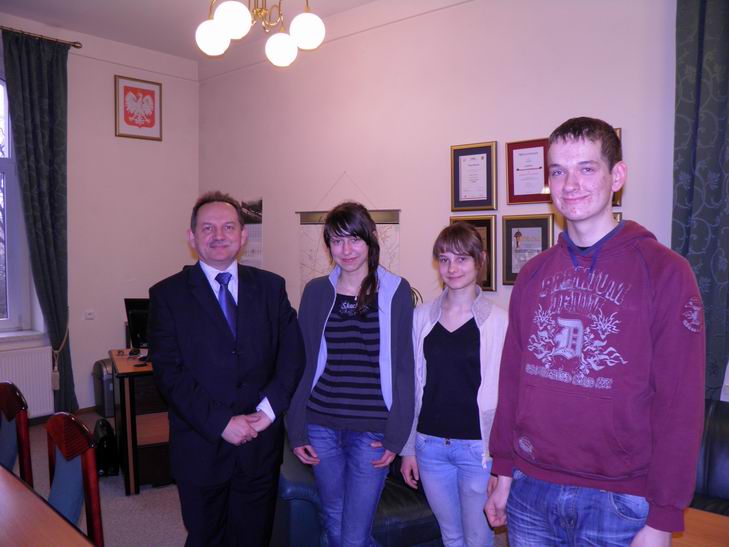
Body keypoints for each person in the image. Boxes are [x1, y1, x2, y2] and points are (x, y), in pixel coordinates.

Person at [486, 117, 705, 546]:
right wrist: (503, 469)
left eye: (586, 168)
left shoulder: (666, 273)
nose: (570, 184)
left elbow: (680, 405)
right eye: (558, 171)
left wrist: (663, 517)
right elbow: (512, 381)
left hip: (619, 502)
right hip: (531, 491)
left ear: (616, 176)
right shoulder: (533, 275)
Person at [148, 191, 305, 547]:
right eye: (208, 228)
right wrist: (222, 423)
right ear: (191, 237)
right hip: (201, 445)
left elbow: (292, 355)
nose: (218, 235)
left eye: (228, 227)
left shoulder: (271, 287)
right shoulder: (167, 295)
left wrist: (267, 413)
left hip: (260, 444)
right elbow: (170, 375)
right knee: (206, 538)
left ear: (243, 235)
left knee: (253, 536)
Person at [286, 201, 415, 547]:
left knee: (355, 533)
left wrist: (397, 436)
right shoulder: (316, 292)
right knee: (333, 518)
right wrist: (296, 428)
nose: (346, 250)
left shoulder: (396, 291)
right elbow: (302, 363)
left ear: (371, 237)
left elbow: (405, 368)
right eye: (337, 241)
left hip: (372, 430)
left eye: (354, 239)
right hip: (320, 425)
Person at [400, 222, 508, 547]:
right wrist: (408, 449)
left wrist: (502, 464)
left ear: (480, 260)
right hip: (430, 447)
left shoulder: (499, 322)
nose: (452, 268)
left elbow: (508, 397)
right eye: (445, 259)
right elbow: (413, 387)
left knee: (478, 540)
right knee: (450, 537)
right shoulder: (421, 317)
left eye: (462, 259)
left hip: (477, 451)